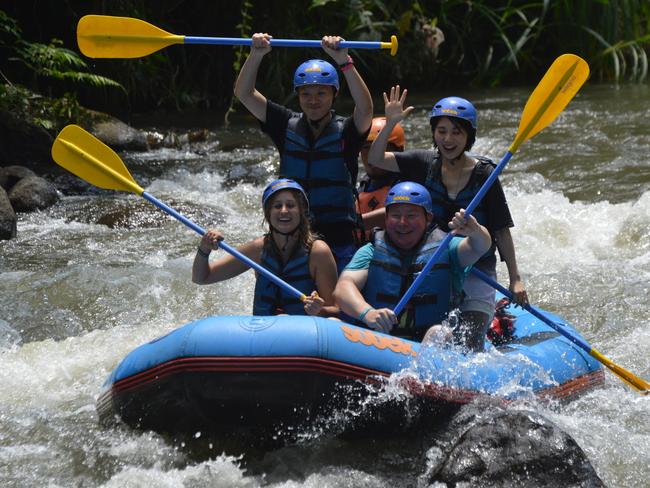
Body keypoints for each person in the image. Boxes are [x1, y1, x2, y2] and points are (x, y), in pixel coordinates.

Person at [367, 86, 528, 351]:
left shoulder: (484, 174)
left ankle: (490, 318)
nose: (448, 139)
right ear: (433, 133)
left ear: (469, 137)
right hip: (434, 261)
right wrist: (391, 124)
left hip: (476, 264)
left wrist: (515, 278)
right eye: (441, 131)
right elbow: (375, 158)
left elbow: (501, 229)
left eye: (457, 132)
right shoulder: (424, 162)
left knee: (470, 343)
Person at [234, 33, 373, 273]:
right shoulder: (285, 124)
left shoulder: (347, 132)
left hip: (338, 240)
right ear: (298, 96)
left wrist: (344, 62)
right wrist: (256, 55)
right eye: (306, 94)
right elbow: (244, 93)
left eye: (321, 93)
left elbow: (366, 108)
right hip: (292, 236)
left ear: (334, 94)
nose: (313, 101)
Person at [333, 181, 491, 342]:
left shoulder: (447, 248)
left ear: (428, 218)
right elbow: (343, 288)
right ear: (386, 219)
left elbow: (480, 246)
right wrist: (368, 313)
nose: (402, 222)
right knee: (333, 324)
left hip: (427, 345)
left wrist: (476, 231)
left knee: (438, 333)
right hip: (380, 341)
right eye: (395, 216)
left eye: (411, 215)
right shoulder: (371, 250)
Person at [192, 179, 339, 317]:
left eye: (291, 205)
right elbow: (201, 278)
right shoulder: (258, 249)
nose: (283, 210)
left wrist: (319, 310)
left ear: (301, 212)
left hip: (302, 332)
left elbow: (336, 311)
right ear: (268, 214)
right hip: (264, 332)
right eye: (277, 206)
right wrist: (204, 249)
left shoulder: (318, 252)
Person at [357, 117, 404, 237]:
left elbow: (399, 212)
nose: (371, 155)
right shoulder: (363, 185)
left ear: (398, 151)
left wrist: (356, 222)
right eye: (366, 147)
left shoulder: (406, 182)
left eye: (380, 147)